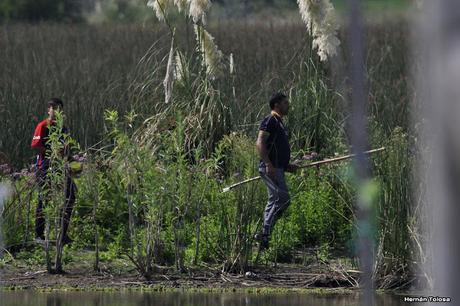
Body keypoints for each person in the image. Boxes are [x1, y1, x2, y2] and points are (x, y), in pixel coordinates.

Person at [255, 92, 299, 250]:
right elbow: (260, 143)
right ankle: (265, 233)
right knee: (283, 199)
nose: (288, 105)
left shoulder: (280, 123)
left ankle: (264, 237)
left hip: (278, 168)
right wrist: (268, 164)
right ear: (276, 105)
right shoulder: (270, 120)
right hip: (271, 168)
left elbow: (277, 148)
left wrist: (287, 165)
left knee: (275, 200)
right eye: (285, 103)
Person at [31, 98, 76, 245]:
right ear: (48, 109)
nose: (56, 111)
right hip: (45, 165)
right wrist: (53, 153)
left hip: (60, 167)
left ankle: (62, 234)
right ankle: (38, 235)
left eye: (59, 108)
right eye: (53, 108)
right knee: (44, 198)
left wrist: (73, 162)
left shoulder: (63, 128)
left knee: (71, 193)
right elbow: (36, 146)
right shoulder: (43, 125)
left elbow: (67, 149)